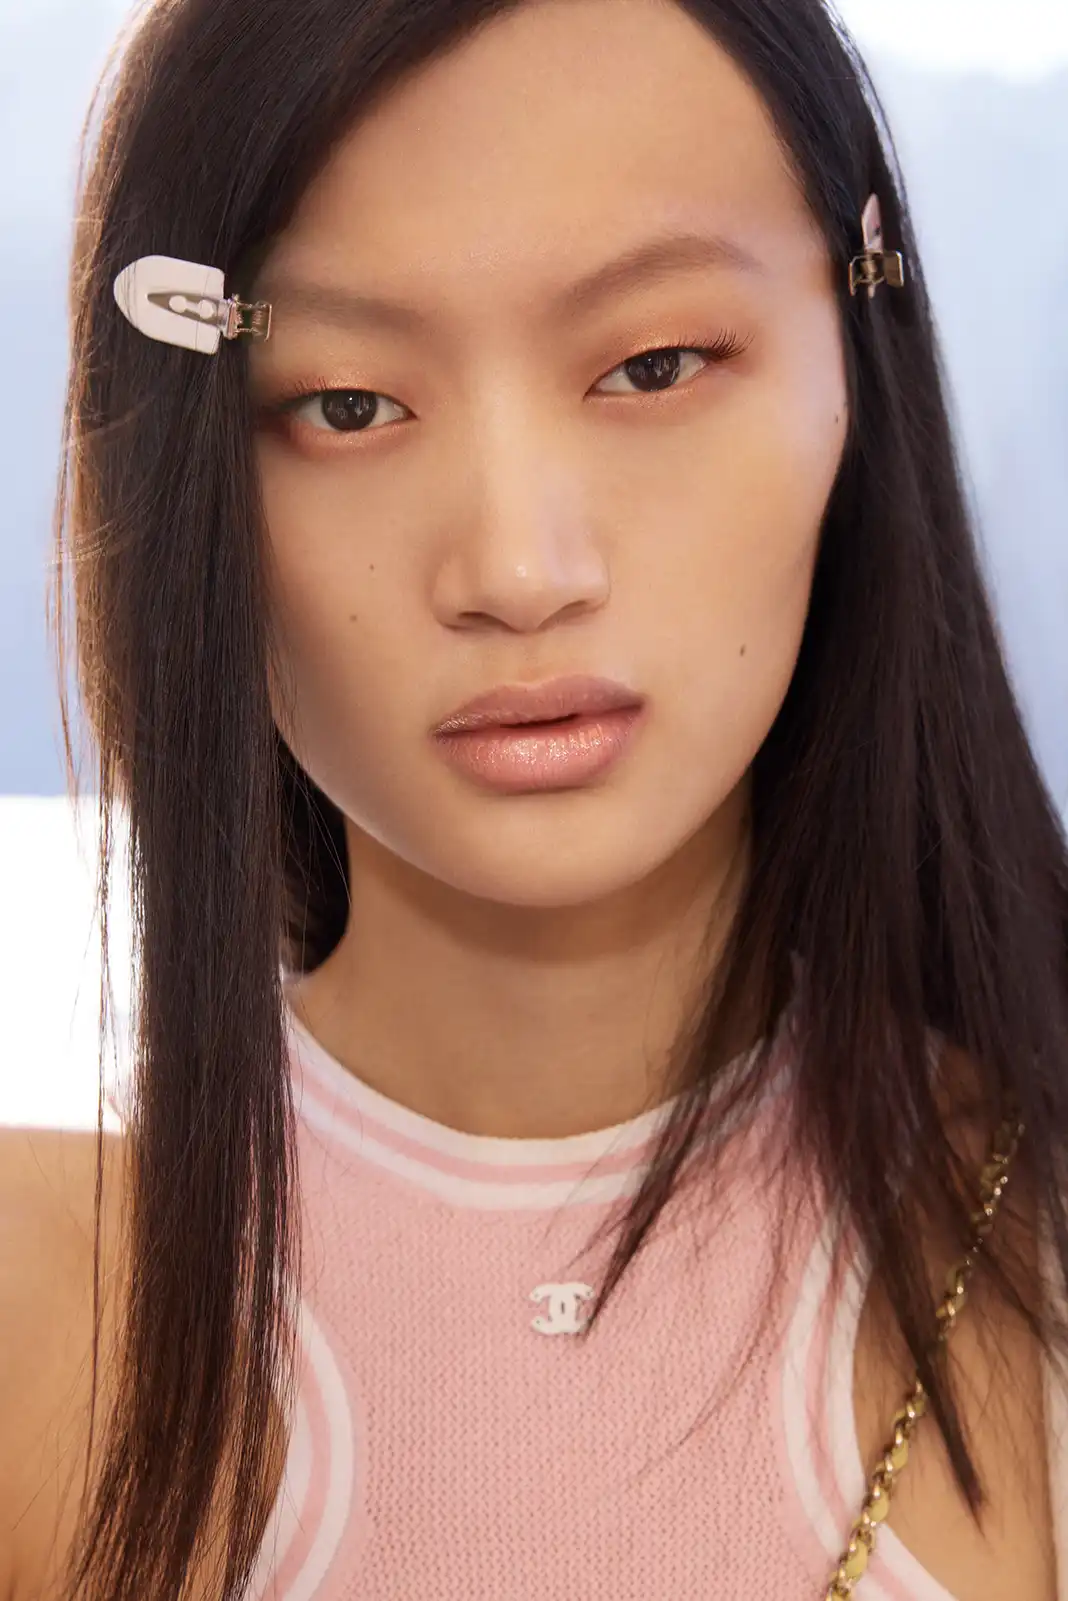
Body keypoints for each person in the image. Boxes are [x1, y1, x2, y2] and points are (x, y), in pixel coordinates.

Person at [2, 0, 1066, 1597]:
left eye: (652, 365)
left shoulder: (1036, 1233)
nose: (517, 568)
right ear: (193, 472)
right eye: (348, 404)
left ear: (856, 366)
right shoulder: (37, 1309)